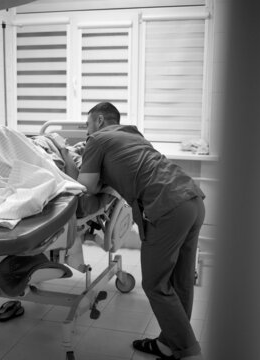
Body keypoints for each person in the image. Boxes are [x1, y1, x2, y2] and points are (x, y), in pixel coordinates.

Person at [77, 102, 205, 360]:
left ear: (100, 121)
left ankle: (189, 352)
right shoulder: (132, 134)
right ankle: (169, 343)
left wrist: (81, 160)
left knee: (155, 285)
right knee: (180, 280)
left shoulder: (98, 139)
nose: (85, 132)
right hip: (193, 200)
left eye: (87, 125)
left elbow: (87, 186)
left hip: (168, 208)